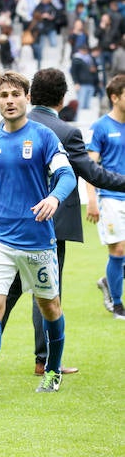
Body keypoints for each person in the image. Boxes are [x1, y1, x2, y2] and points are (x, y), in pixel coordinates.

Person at [0, 68, 125, 374]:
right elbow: (93, 174)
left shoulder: (8, 126)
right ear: (62, 97)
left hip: (4, 228)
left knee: (7, 290)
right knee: (48, 295)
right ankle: (45, 360)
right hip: (50, 224)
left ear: (31, 95)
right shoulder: (63, 133)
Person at [0, 71, 76, 401]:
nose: (9, 100)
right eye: (3, 95)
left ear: (27, 98)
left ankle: (52, 370)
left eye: (15, 94)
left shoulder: (43, 137)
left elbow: (66, 175)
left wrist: (54, 197)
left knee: (49, 307)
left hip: (37, 241)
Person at [87, 74, 125, 320]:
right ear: (115, 97)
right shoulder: (101, 126)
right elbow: (90, 167)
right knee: (119, 249)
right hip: (110, 197)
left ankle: (108, 282)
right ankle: (117, 304)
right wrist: (92, 199)